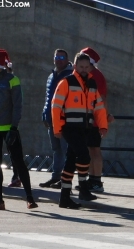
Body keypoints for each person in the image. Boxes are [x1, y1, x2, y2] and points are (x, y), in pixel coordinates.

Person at [0, 48, 38, 210]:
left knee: (19, 162)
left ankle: (30, 199)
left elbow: (17, 106)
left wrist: (13, 127)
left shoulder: (13, 80)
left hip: (9, 129)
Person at [51, 52, 108, 209]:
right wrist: (57, 128)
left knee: (71, 160)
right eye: (81, 67)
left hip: (85, 128)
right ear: (75, 66)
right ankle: (82, 188)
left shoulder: (91, 84)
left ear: (90, 67)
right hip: (69, 128)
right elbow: (55, 107)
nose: (84, 69)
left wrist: (103, 126)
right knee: (84, 155)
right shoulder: (66, 82)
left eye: (86, 67)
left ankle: (64, 198)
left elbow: (99, 107)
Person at [79, 47, 112, 194]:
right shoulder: (92, 74)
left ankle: (96, 180)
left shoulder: (96, 76)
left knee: (94, 150)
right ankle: (92, 179)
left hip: (94, 120)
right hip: (89, 119)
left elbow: (102, 98)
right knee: (90, 150)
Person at [39, 49, 73, 189]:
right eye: (56, 57)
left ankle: (65, 179)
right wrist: (44, 114)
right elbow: (48, 98)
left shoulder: (70, 76)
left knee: (66, 150)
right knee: (56, 149)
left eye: (61, 57)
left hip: (64, 120)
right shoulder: (51, 76)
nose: (58, 60)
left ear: (67, 60)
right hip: (51, 119)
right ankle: (56, 177)